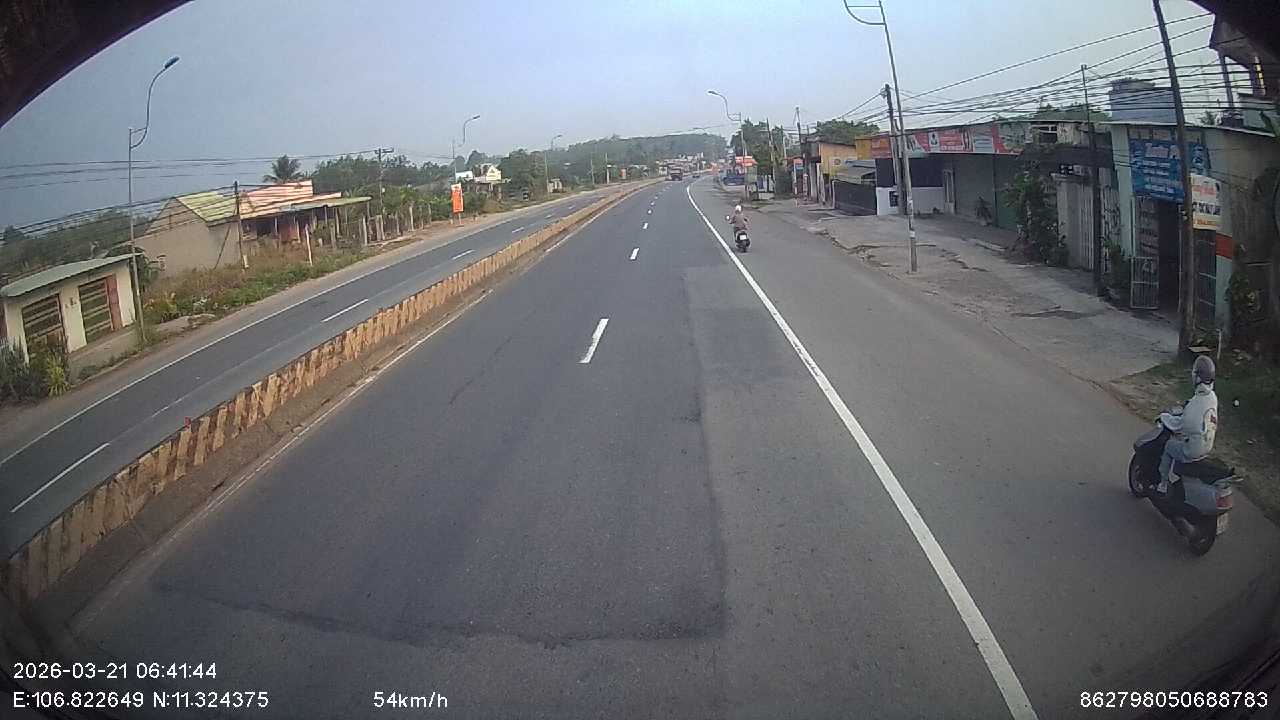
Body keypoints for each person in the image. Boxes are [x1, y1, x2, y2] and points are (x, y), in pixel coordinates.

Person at [1156, 355, 1219, 493]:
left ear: (1196, 377)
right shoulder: (1211, 397)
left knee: (1169, 446)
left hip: (1192, 451)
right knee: (1181, 439)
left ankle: (1163, 484)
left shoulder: (1195, 404)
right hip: (1206, 447)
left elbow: (1179, 425)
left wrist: (1164, 417)